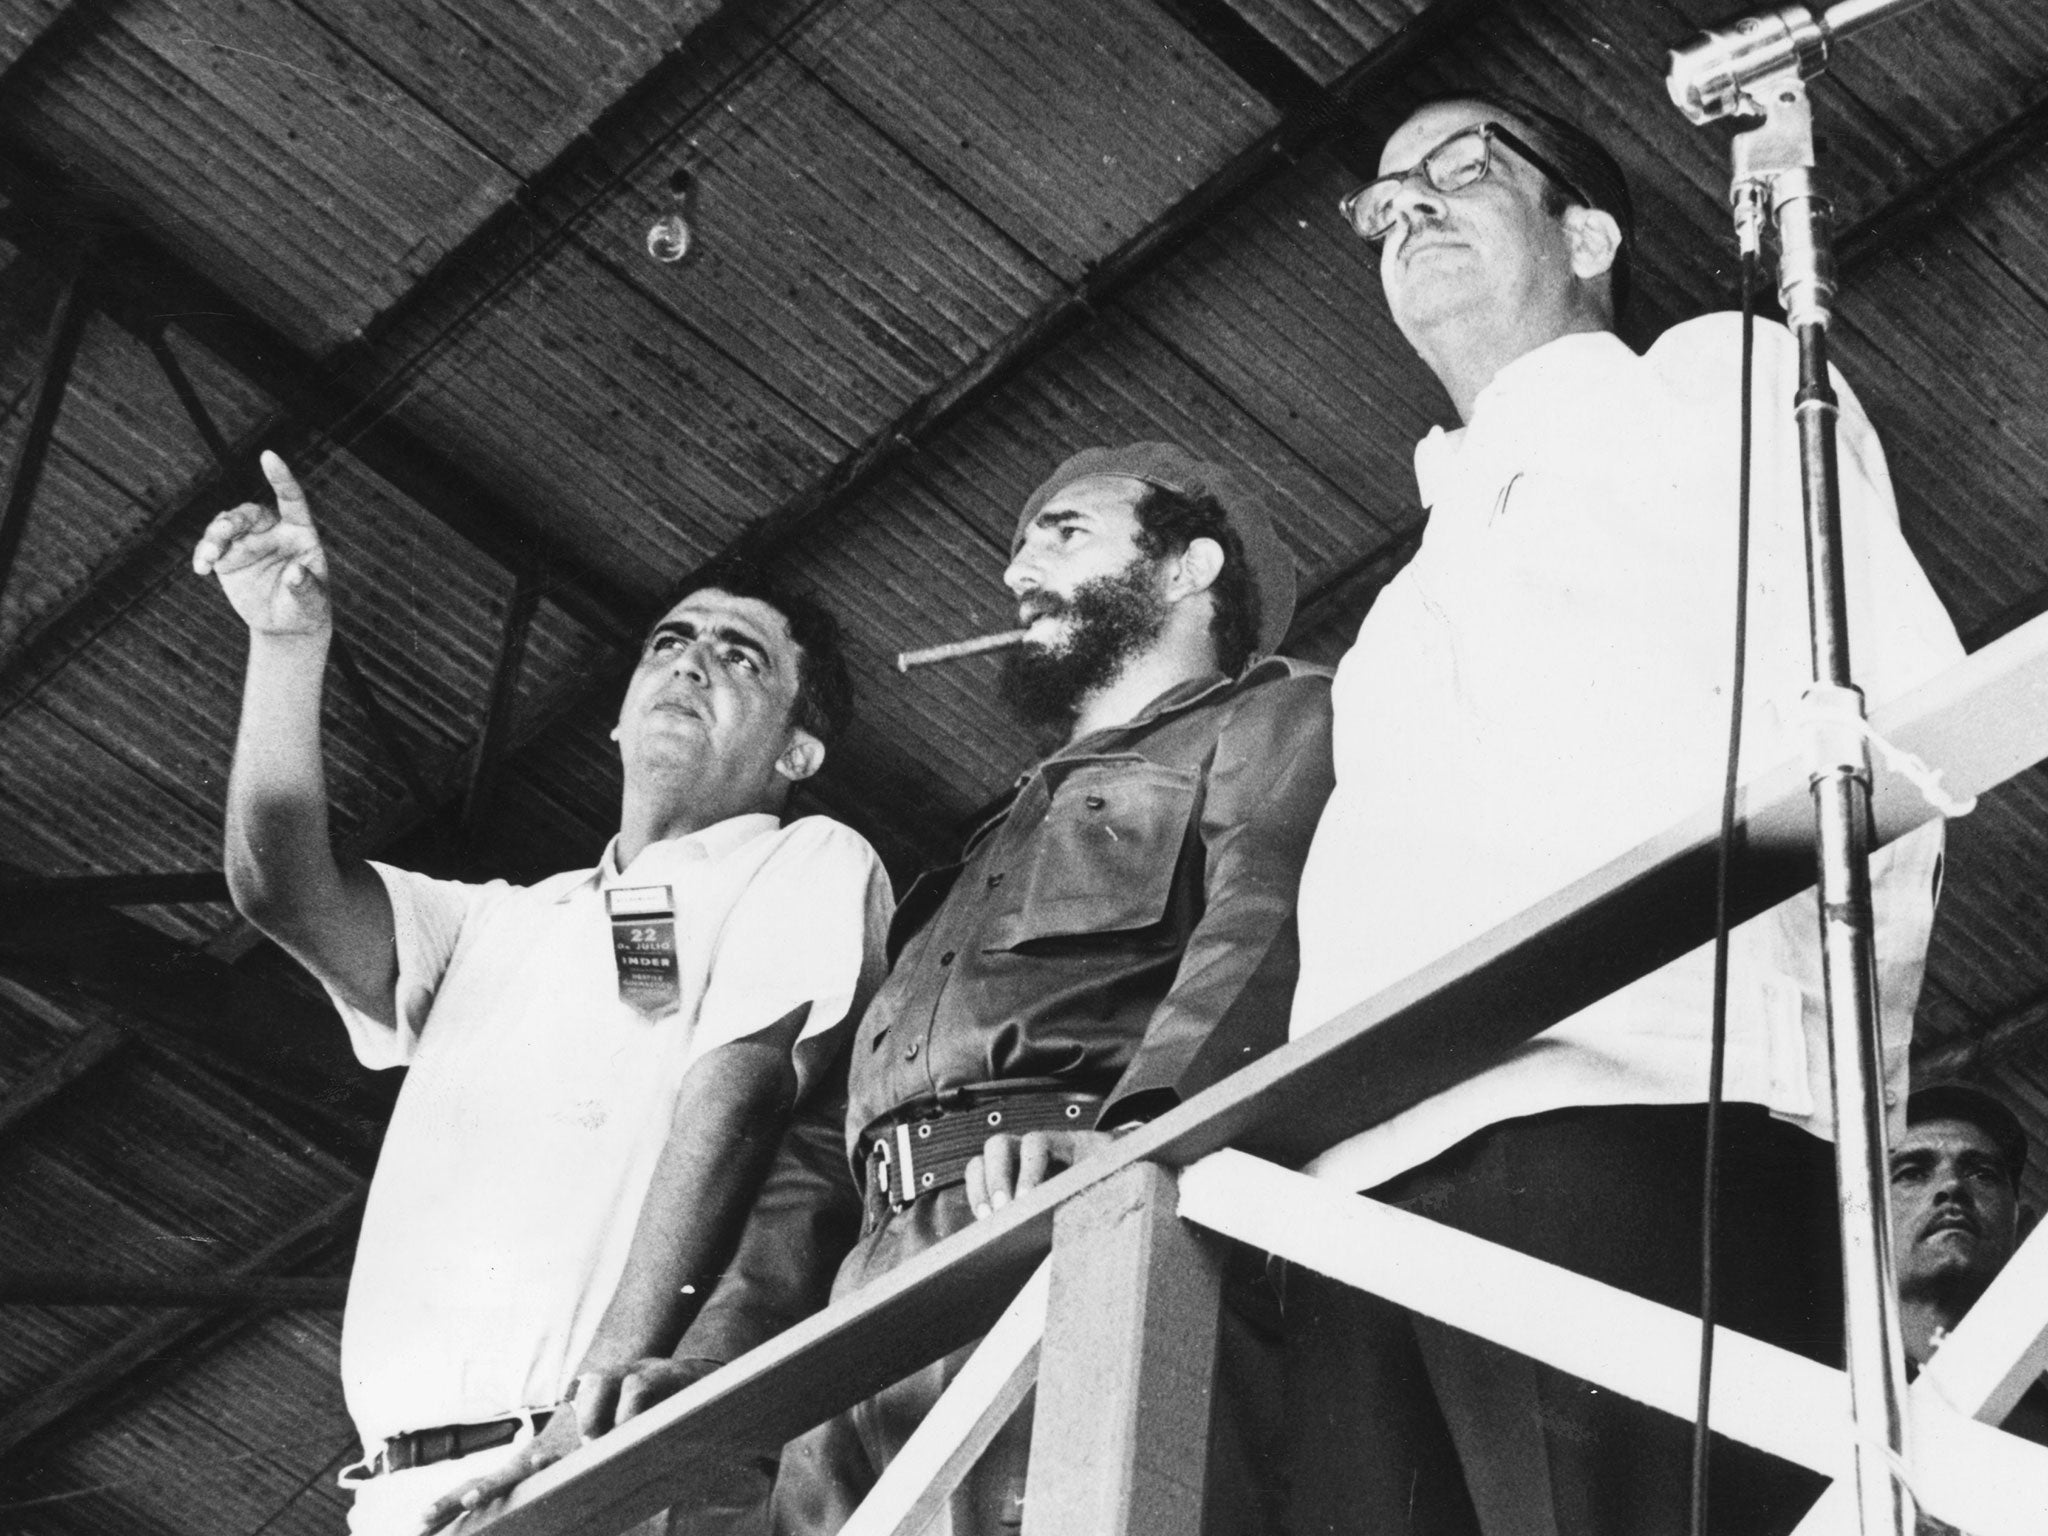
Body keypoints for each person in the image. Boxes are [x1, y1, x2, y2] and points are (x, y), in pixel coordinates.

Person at [1282, 95, 1966, 1536]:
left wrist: (1830, 1100)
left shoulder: (1710, 385)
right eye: (1384, 199)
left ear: (1589, 231)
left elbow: (1885, 726)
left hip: (1638, 1106)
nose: (1408, 208)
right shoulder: (1404, 593)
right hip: (1362, 1180)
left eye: (1462, 171)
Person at [192, 452, 892, 1536]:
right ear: (615, 718)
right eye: (670, 640)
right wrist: (287, 647)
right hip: (399, 1492)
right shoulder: (494, 923)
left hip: (585, 1459)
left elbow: (737, 1102)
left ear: (798, 748)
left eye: (739, 656)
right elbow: (276, 885)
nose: (691, 662)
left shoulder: (802, 858)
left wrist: (595, 1414)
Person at [668, 441, 1334, 1535]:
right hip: (870, 1310)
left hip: (1066, 1233)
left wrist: (1135, 1149)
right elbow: (821, 1147)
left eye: (1063, 534)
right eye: (1018, 548)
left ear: (1187, 569)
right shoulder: (968, 858)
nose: (1018, 573)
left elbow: (1259, 930)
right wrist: (709, 1363)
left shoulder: (1268, 719)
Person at [1892, 1084, 2044, 1428]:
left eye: (1982, 1174)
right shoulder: (1816, 1389)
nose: (1952, 1187)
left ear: (2023, 1235)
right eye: (1912, 1172)